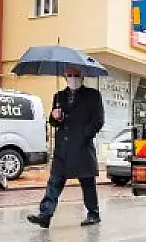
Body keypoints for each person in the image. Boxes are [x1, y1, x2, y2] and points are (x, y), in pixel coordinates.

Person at [28, 69, 105, 229]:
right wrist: (55, 117)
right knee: (54, 181)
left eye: (76, 75)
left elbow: (98, 120)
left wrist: (85, 134)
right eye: (69, 75)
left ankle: (93, 213)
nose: (72, 78)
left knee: (87, 182)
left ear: (82, 77)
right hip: (63, 148)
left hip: (82, 146)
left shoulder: (93, 95)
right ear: (65, 77)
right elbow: (54, 122)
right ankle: (45, 215)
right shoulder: (59, 96)